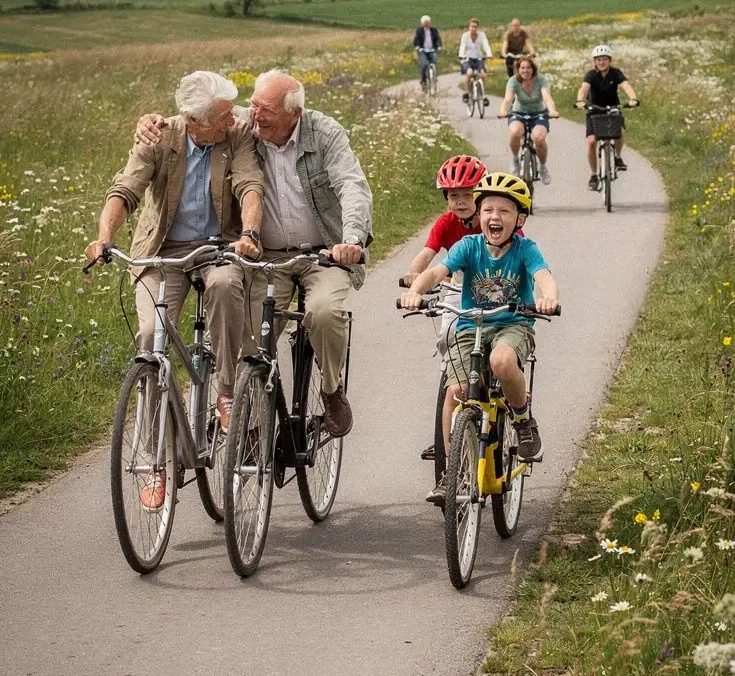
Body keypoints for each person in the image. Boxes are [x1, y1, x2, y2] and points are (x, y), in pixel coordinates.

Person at [135, 70, 373, 438]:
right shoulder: (244, 125)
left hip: (326, 253)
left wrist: (353, 239)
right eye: (255, 105)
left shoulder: (324, 134)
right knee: (246, 335)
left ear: (294, 113)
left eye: (266, 109)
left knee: (324, 313)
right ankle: (250, 426)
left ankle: (330, 390)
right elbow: (198, 116)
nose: (255, 114)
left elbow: (352, 186)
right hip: (267, 258)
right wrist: (150, 122)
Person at [85, 71, 264, 508]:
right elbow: (125, 190)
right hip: (161, 250)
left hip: (219, 247)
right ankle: (153, 459)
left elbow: (249, 185)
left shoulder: (235, 134)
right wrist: (104, 236)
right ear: (194, 119)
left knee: (224, 284)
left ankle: (224, 390)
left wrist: (251, 233)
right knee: (150, 338)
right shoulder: (159, 136)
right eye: (223, 116)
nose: (232, 120)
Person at [401, 172, 559, 478]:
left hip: (512, 325)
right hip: (470, 325)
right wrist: (415, 292)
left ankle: (523, 419)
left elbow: (544, 276)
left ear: (520, 220)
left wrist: (547, 298)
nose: (494, 217)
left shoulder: (525, 249)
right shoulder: (468, 246)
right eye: (487, 210)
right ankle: (452, 473)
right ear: (479, 213)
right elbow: (437, 272)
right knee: (456, 392)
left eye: (504, 211)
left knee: (501, 361)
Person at [405, 154, 486, 499]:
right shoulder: (445, 223)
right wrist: (413, 276)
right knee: (449, 340)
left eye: (467, 194)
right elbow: (426, 254)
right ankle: (451, 444)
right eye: (453, 196)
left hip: (491, 287)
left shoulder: (493, 219)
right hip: (455, 288)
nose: (460, 202)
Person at [575, 44, 638, 191]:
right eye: (598, 60)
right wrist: (580, 101)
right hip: (594, 110)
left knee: (619, 132)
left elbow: (626, 86)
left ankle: (617, 156)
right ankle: (594, 175)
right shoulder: (591, 75)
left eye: (604, 59)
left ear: (610, 60)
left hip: (613, 108)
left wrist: (633, 98)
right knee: (591, 141)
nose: (601, 62)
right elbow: (583, 89)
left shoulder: (616, 73)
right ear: (594, 61)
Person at [497, 56, 559, 185]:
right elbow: (508, 99)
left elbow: (547, 98)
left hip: (538, 114)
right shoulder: (513, 81)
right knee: (515, 132)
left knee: (539, 139)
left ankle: (542, 167)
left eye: (528, 68)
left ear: (533, 69)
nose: (526, 71)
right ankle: (515, 159)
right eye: (523, 68)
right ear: (518, 70)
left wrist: (552, 110)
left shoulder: (541, 80)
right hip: (518, 113)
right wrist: (503, 110)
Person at [457, 18, 492, 103]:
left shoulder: (482, 35)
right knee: (469, 73)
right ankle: (468, 93)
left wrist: (489, 54)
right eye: (472, 26)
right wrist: (461, 55)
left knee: (483, 75)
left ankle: (483, 95)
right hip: (467, 59)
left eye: (475, 27)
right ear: (469, 27)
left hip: (478, 58)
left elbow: (486, 44)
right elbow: (462, 46)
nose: (473, 28)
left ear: (477, 28)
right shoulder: (465, 35)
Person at [412, 15, 442, 89]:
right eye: (425, 23)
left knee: (434, 60)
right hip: (423, 50)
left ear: (429, 23)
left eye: (427, 22)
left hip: (432, 49)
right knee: (423, 65)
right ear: (422, 23)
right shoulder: (419, 30)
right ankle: (423, 81)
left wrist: (439, 46)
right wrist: (417, 47)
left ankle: (434, 76)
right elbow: (416, 40)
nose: (426, 24)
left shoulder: (434, 30)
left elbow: (438, 39)